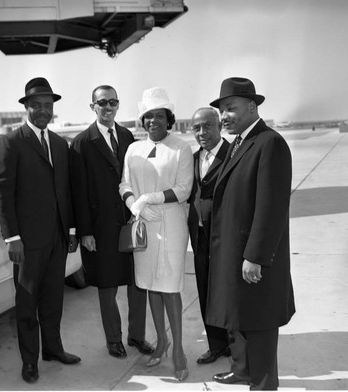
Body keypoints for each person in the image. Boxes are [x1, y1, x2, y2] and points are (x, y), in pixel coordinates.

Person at [206, 77, 296, 390]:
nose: (224, 116)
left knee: (260, 321)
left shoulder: (269, 143)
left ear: (252, 106)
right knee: (239, 317)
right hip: (233, 251)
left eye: (230, 108)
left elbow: (271, 208)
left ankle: (264, 384)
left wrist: (255, 256)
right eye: (222, 110)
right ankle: (242, 369)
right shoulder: (238, 143)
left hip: (252, 255)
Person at [0, 77, 81, 384]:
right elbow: (2, 193)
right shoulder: (12, 142)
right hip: (27, 242)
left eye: (48, 106)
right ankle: (30, 361)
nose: (43, 111)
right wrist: (12, 237)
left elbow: (65, 191)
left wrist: (70, 230)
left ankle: (53, 349)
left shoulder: (59, 144)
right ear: (26, 107)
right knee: (28, 303)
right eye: (37, 106)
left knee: (54, 299)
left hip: (57, 237)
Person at [69, 85, 154, 359]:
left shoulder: (128, 136)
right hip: (101, 226)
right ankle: (113, 339)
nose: (108, 108)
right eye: (102, 103)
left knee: (137, 283)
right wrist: (85, 232)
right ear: (92, 106)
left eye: (113, 103)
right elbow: (78, 193)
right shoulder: (82, 142)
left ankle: (137, 336)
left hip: (128, 221)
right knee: (107, 286)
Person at [119, 87, 193, 381]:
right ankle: (161, 342)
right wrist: (133, 204)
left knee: (170, 286)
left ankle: (178, 350)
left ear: (169, 118)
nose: (153, 121)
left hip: (171, 223)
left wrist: (149, 199)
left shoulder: (181, 148)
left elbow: (184, 188)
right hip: (143, 224)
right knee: (150, 284)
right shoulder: (133, 149)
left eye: (159, 116)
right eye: (148, 116)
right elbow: (124, 183)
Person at [187, 107, 231, 365]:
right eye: (196, 128)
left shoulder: (233, 155)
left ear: (219, 126)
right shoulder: (193, 158)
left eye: (207, 126)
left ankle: (236, 345)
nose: (202, 132)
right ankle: (217, 345)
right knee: (205, 289)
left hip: (225, 236)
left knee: (227, 291)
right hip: (200, 236)